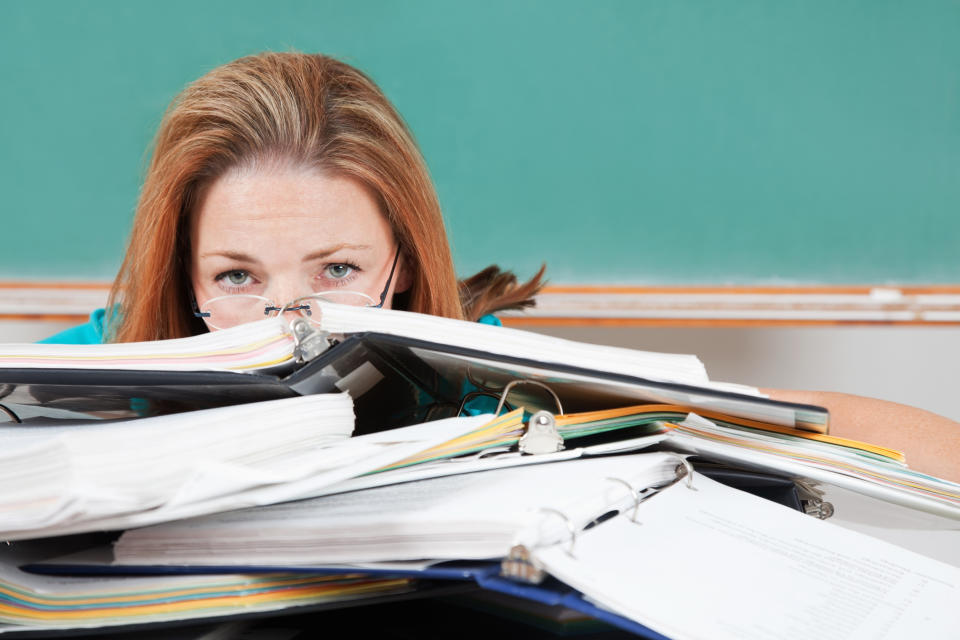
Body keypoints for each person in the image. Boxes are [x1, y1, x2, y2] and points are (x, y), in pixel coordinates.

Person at [40, 52, 959, 483]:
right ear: (185, 275)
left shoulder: (488, 376)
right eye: (237, 278)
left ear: (399, 263)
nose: (290, 320)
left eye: (337, 270)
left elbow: (800, 426)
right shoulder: (96, 365)